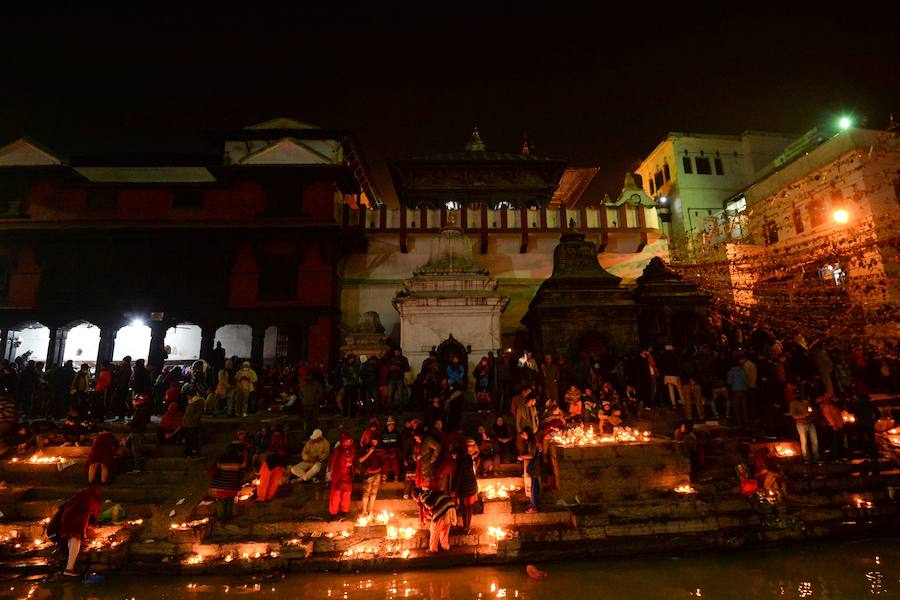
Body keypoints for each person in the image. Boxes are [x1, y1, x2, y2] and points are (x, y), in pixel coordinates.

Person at [57, 485, 101, 577]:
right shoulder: (92, 497)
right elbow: (95, 511)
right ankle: (69, 569)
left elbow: (69, 503)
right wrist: (96, 523)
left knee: (71, 538)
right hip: (78, 517)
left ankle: (69, 564)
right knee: (76, 539)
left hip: (67, 515)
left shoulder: (81, 493)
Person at [414, 487, 457, 553]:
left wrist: (429, 516)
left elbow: (430, 505)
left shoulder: (422, 495)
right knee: (445, 529)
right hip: (451, 506)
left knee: (434, 529)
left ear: (415, 495)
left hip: (443, 508)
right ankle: (445, 546)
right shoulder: (428, 492)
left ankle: (433, 549)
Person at [210, 444, 245, 522]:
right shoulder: (239, 459)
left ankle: (222, 520)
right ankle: (228, 519)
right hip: (233, 486)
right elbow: (242, 473)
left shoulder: (221, 459)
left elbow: (216, 471)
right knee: (230, 503)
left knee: (221, 503)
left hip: (221, 485)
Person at [451, 441, 479, 533]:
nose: (453, 458)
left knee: (465, 508)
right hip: (471, 485)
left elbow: (458, 476)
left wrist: (453, 489)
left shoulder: (459, 461)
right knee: (469, 508)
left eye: (453, 456)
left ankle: (466, 527)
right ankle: (467, 527)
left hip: (465, 488)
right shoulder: (468, 458)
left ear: (456, 454)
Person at [328, 432, 356, 520]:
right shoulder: (338, 450)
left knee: (346, 494)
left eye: (349, 442)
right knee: (336, 494)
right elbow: (332, 461)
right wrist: (331, 470)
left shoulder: (352, 449)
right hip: (338, 475)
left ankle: (344, 511)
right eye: (346, 442)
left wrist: (351, 465)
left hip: (347, 476)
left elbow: (354, 460)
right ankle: (334, 512)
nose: (348, 443)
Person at [789, 393, 819, 463]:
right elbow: (793, 415)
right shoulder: (793, 404)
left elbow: (810, 410)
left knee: (815, 441)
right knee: (804, 442)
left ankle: (816, 457)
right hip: (801, 424)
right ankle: (806, 458)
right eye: (796, 394)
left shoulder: (805, 402)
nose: (798, 395)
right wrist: (804, 415)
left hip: (810, 423)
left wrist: (811, 412)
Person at [358, 434, 383, 517]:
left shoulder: (379, 449)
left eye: (376, 440)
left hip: (378, 473)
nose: (374, 442)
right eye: (373, 440)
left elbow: (382, 460)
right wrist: (369, 452)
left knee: (374, 492)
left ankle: (371, 510)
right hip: (368, 474)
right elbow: (360, 460)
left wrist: (382, 471)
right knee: (366, 492)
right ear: (370, 440)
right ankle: (364, 511)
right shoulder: (365, 448)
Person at [129, 394, 151, 473]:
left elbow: (135, 422)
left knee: (136, 450)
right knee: (136, 449)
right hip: (140, 431)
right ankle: (137, 466)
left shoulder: (140, 410)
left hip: (136, 431)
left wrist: (130, 423)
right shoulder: (145, 409)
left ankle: (137, 467)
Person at [300, 372, 325, 437]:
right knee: (306, 420)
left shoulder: (316, 383)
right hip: (306, 404)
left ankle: (315, 434)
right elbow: (300, 392)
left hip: (314, 405)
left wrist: (316, 399)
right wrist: (302, 400)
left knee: (314, 420)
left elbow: (321, 391)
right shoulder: (303, 384)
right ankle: (307, 434)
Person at [181, 384, 203, 457]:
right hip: (186, 423)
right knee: (187, 439)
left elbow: (198, 413)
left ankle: (194, 452)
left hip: (193, 424)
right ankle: (188, 452)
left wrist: (193, 420)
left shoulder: (198, 401)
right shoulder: (190, 401)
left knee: (193, 439)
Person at [726, 360, 749, 429]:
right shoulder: (743, 370)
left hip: (735, 391)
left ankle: (739, 423)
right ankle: (746, 423)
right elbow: (746, 379)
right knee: (744, 407)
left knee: (737, 408)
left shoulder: (731, 372)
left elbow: (729, 382)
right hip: (744, 390)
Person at [387, 348, 410, 412]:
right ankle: (390, 409)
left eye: (397, 352)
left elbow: (407, 368)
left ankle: (400, 409)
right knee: (390, 394)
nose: (396, 353)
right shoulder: (392, 359)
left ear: (400, 352)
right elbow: (388, 367)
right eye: (395, 352)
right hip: (392, 378)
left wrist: (399, 368)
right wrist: (391, 368)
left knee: (400, 395)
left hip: (399, 378)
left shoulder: (404, 359)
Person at [381, 417, 401, 482]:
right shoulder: (383, 433)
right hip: (385, 451)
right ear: (388, 425)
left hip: (394, 451)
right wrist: (385, 453)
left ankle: (396, 477)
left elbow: (399, 444)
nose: (392, 426)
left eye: (393, 425)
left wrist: (396, 452)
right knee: (386, 462)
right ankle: (384, 477)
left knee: (395, 462)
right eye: (390, 425)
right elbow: (381, 444)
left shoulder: (396, 433)